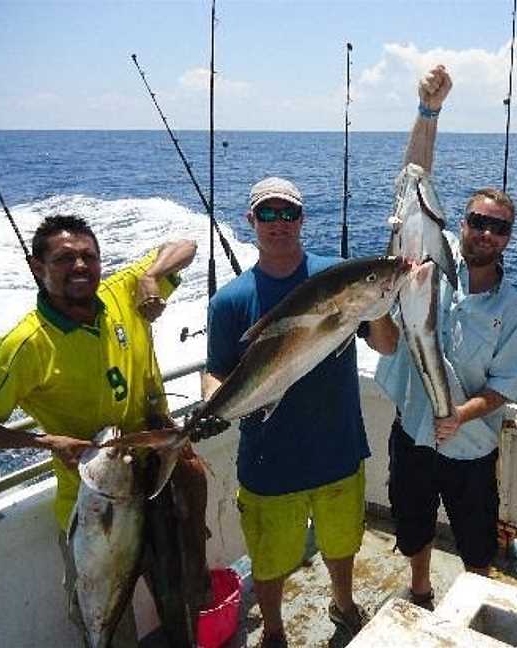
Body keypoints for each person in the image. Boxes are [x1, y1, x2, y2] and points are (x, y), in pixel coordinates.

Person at [0, 215, 197, 646]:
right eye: (63, 258)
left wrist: (150, 275)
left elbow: (185, 245)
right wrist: (43, 442)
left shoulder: (121, 292)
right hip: (94, 510)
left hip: (156, 484)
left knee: (177, 595)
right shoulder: (25, 346)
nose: (79, 266)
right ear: (36, 267)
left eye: (88, 256)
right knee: (110, 627)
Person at [372, 65, 517, 610]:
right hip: (412, 430)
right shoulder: (428, 262)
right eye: (476, 221)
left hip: (469, 445)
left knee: (476, 539)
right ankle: (419, 589)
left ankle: (475, 606)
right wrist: (428, 111)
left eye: (498, 226)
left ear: (508, 239)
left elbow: (506, 388)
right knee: (412, 522)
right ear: (457, 225)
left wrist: (459, 415)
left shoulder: (513, 309)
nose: (485, 232)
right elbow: (412, 179)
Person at [202, 177, 384, 647]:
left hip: (337, 447)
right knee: (269, 559)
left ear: (302, 219)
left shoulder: (336, 276)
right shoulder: (230, 301)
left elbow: (387, 344)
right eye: (268, 214)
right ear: (252, 222)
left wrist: (377, 299)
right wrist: (211, 404)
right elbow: (217, 371)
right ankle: (275, 630)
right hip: (269, 458)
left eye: (288, 214)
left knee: (342, 545)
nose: (278, 224)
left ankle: (343, 604)